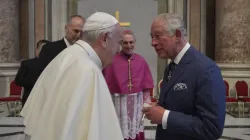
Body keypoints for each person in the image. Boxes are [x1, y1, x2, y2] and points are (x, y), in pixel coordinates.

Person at [20, 12, 124, 140]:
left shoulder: (68, 55)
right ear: (104, 38)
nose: (119, 49)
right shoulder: (88, 70)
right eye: (119, 42)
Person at [142, 13, 226, 140]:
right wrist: (158, 110)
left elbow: (211, 128)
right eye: (152, 37)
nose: (153, 43)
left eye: (158, 36)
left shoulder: (206, 69)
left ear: (177, 35)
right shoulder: (171, 67)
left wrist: (165, 116)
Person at [103, 30, 154, 140]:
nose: (129, 45)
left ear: (135, 42)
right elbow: (107, 87)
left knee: (134, 131)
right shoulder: (112, 61)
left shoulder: (141, 60)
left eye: (131, 42)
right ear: (120, 43)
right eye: (125, 43)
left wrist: (147, 103)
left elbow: (146, 86)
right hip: (118, 104)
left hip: (136, 104)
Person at [36, 15, 85, 81]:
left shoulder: (85, 51)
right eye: (76, 31)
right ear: (66, 28)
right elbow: (42, 75)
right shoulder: (49, 49)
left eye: (81, 32)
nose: (78, 35)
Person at [15, 39, 50, 106]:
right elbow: (18, 80)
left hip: (47, 100)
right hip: (29, 99)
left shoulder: (54, 64)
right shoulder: (27, 64)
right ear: (37, 50)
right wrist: (34, 82)